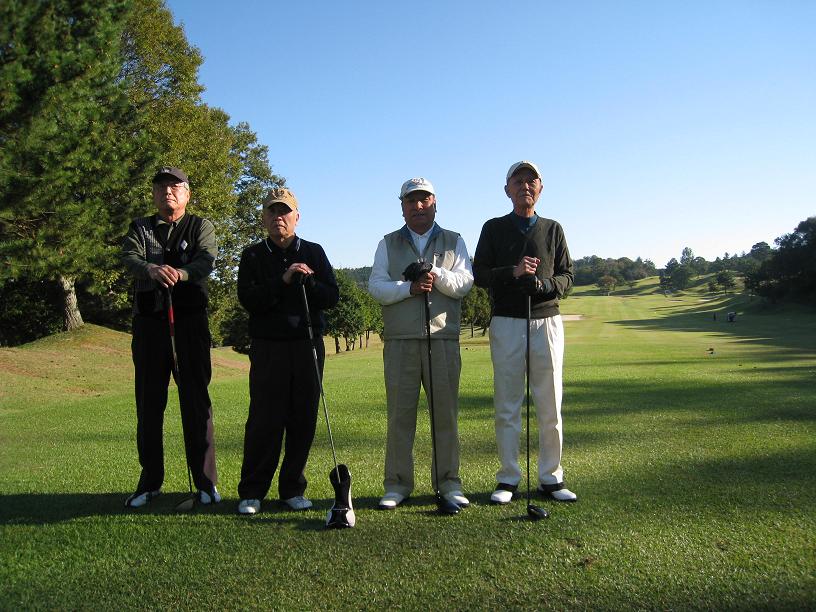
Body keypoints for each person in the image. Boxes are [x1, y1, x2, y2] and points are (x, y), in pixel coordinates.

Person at [473, 160, 578, 504]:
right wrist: (513, 272)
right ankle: (508, 478)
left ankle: (551, 477)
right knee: (507, 405)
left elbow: (567, 276)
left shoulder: (552, 229)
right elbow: (480, 274)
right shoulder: (493, 228)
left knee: (550, 404)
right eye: (518, 181)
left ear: (541, 189)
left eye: (531, 181)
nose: (525, 186)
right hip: (507, 321)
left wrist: (544, 285)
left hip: (546, 320)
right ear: (507, 190)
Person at [368, 177, 474, 510]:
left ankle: (449, 483)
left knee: (445, 416)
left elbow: (464, 282)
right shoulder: (388, 243)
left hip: (442, 337)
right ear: (402, 207)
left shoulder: (454, 240)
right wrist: (408, 288)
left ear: (434, 203)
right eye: (411, 201)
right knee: (400, 416)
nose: (418, 206)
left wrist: (436, 274)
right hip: (400, 340)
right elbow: (376, 287)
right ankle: (397, 484)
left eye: (424, 199)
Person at [236, 187, 339, 515]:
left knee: (302, 419)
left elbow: (331, 297)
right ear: (264, 217)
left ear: (297, 217)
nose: (278, 217)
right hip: (269, 347)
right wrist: (283, 279)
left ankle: (292, 488)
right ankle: (252, 491)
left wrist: (309, 282)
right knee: (264, 420)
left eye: (285, 211)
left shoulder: (313, 251)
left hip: (307, 344)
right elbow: (250, 300)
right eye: (272, 211)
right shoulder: (253, 255)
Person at [121, 166, 220, 507]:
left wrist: (180, 273)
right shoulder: (140, 227)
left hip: (190, 322)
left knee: (196, 402)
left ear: (187, 194)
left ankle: (205, 482)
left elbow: (206, 260)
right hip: (150, 323)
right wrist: (150, 268)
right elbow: (129, 257)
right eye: (162, 187)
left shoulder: (201, 226)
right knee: (149, 404)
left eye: (175, 186)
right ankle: (150, 482)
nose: (168, 192)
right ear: (154, 194)